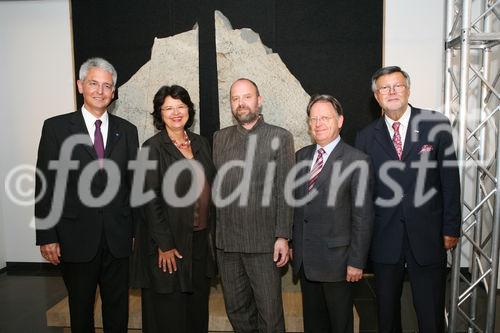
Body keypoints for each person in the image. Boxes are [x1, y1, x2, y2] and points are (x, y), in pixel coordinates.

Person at [35, 57, 139, 332]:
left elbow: (133, 185)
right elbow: (46, 183)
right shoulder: (56, 128)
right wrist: (47, 235)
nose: (100, 91)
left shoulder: (127, 131)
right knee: (80, 310)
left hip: (118, 238)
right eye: (94, 83)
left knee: (117, 310)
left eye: (107, 86)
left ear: (114, 92)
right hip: (75, 237)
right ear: (80, 85)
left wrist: (136, 233)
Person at [355, 66, 461, 332]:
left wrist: (451, 227)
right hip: (384, 236)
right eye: (384, 88)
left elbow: (449, 179)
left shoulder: (436, 124)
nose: (392, 92)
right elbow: (364, 193)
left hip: (428, 235)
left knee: (430, 314)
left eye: (397, 85)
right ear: (376, 97)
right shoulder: (366, 137)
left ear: (408, 89)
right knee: (387, 315)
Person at [130, 85, 216, 332]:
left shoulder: (202, 143)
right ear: (160, 113)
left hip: (199, 240)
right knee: (170, 312)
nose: (176, 112)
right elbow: (149, 200)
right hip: (168, 246)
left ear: (189, 109)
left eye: (180, 106)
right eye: (168, 108)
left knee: (197, 309)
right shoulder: (151, 148)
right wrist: (165, 244)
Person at [212, 78, 295, 332]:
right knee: (237, 312)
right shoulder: (219, 138)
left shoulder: (280, 137)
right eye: (235, 99)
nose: (241, 103)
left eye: (247, 97)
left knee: (269, 315)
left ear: (259, 100)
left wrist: (283, 236)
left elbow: (286, 191)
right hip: (227, 246)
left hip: (264, 244)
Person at [290, 94, 374, 333]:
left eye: (325, 117)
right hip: (307, 261)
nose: (318, 123)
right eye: (313, 118)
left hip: (339, 263)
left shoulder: (357, 160)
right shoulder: (302, 156)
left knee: (340, 326)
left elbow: (363, 216)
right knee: (314, 326)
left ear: (340, 121)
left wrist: (357, 262)